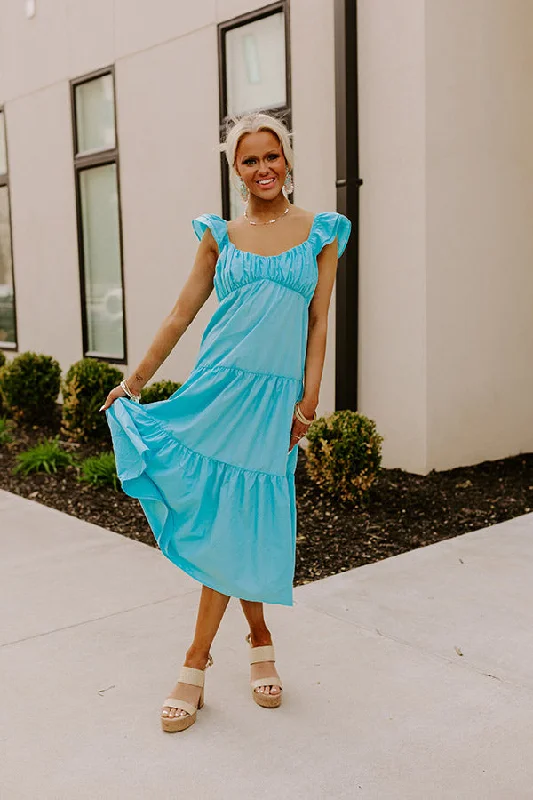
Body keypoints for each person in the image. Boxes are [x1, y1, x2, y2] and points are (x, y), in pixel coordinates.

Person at [100, 111, 351, 733]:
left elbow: (319, 322)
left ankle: (222, 650)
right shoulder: (220, 235)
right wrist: (133, 381)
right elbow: (181, 312)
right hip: (216, 388)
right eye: (250, 159)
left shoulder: (321, 232)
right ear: (234, 168)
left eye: (272, 156)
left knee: (244, 516)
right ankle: (219, 652)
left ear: (287, 159)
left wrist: (309, 399)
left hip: (273, 401)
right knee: (225, 518)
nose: (263, 168)